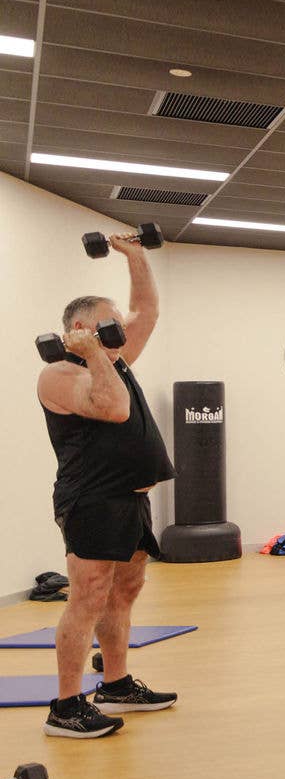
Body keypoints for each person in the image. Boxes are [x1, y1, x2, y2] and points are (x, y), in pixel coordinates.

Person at [38, 234, 177, 739]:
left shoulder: (112, 361)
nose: (121, 330)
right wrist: (95, 354)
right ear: (80, 330)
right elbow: (114, 409)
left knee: (126, 591)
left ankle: (115, 684)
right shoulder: (57, 374)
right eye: (108, 324)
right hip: (91, 501)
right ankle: (66, 705)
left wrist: (135, 256)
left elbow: (148, 310)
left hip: (131, 500)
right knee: (88, 596)